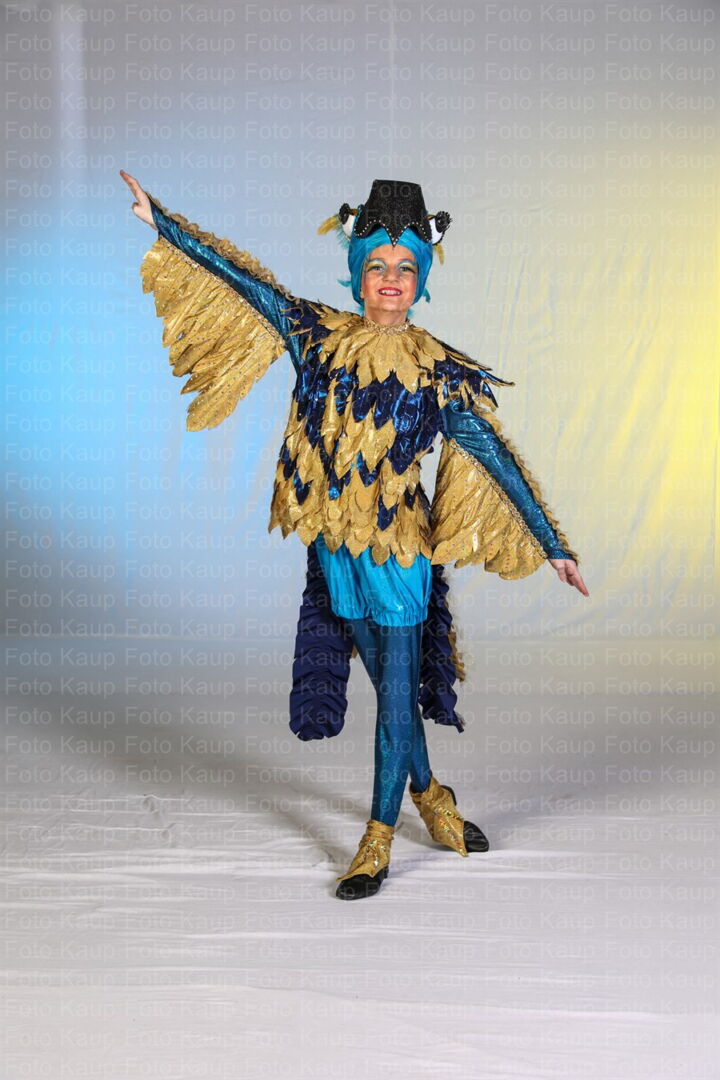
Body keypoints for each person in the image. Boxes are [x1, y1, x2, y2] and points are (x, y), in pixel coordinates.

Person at [121, 171, 589, 901]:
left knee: (396, 696)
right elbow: (248, 285)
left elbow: (492, 454)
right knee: (387, 688)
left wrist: (551, 543)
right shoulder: (315, 337)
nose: (391, 279)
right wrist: (164, 224)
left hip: (398, 555)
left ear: (422, 277)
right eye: (377, 265)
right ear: (357, 272)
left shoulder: (437, 372)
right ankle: (431, 793)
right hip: (335, 547)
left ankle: (376, 838)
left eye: (405, 267)